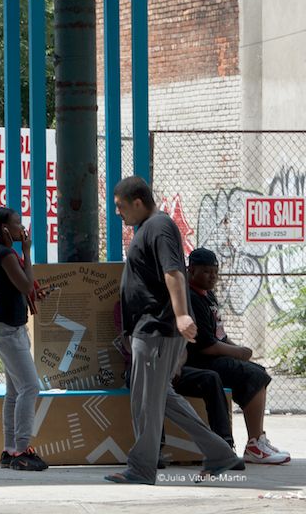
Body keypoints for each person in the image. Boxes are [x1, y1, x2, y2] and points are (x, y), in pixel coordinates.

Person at [105, 176, 240, 485]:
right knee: (161, 399)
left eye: (120, 206)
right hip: (151, 331)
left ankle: (141, 469)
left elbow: (174, 272)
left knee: (146, 403)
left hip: (157, 330)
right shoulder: (150, 228)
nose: (118, 213)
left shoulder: (160, 226)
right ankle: (219, 453)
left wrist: (181, 316)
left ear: (137, 202)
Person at [187, 247, 291, 465]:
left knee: (257, 371)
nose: (212, 276)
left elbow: (220, 336)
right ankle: (254, 445)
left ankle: (258, 438)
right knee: (254, 375)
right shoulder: (190, 298)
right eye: (206, 271)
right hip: (197, 362)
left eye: (215, 271)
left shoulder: (209, 295)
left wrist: (240, 351)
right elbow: (205, 345)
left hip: (214, 356)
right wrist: (238, 353)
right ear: (192, 270)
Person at [0, 206, 48, 471]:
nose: (22, 227)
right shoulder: (6, 254)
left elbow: (22, 288)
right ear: (5, 229)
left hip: (10, 329)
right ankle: (20, 449)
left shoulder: (1, 253)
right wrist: (27, 251)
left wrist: (30, 292)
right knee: (30, 387)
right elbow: (26, 285)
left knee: (15, 392)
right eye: (17, 223)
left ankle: (9, 450)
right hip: (8, 331)